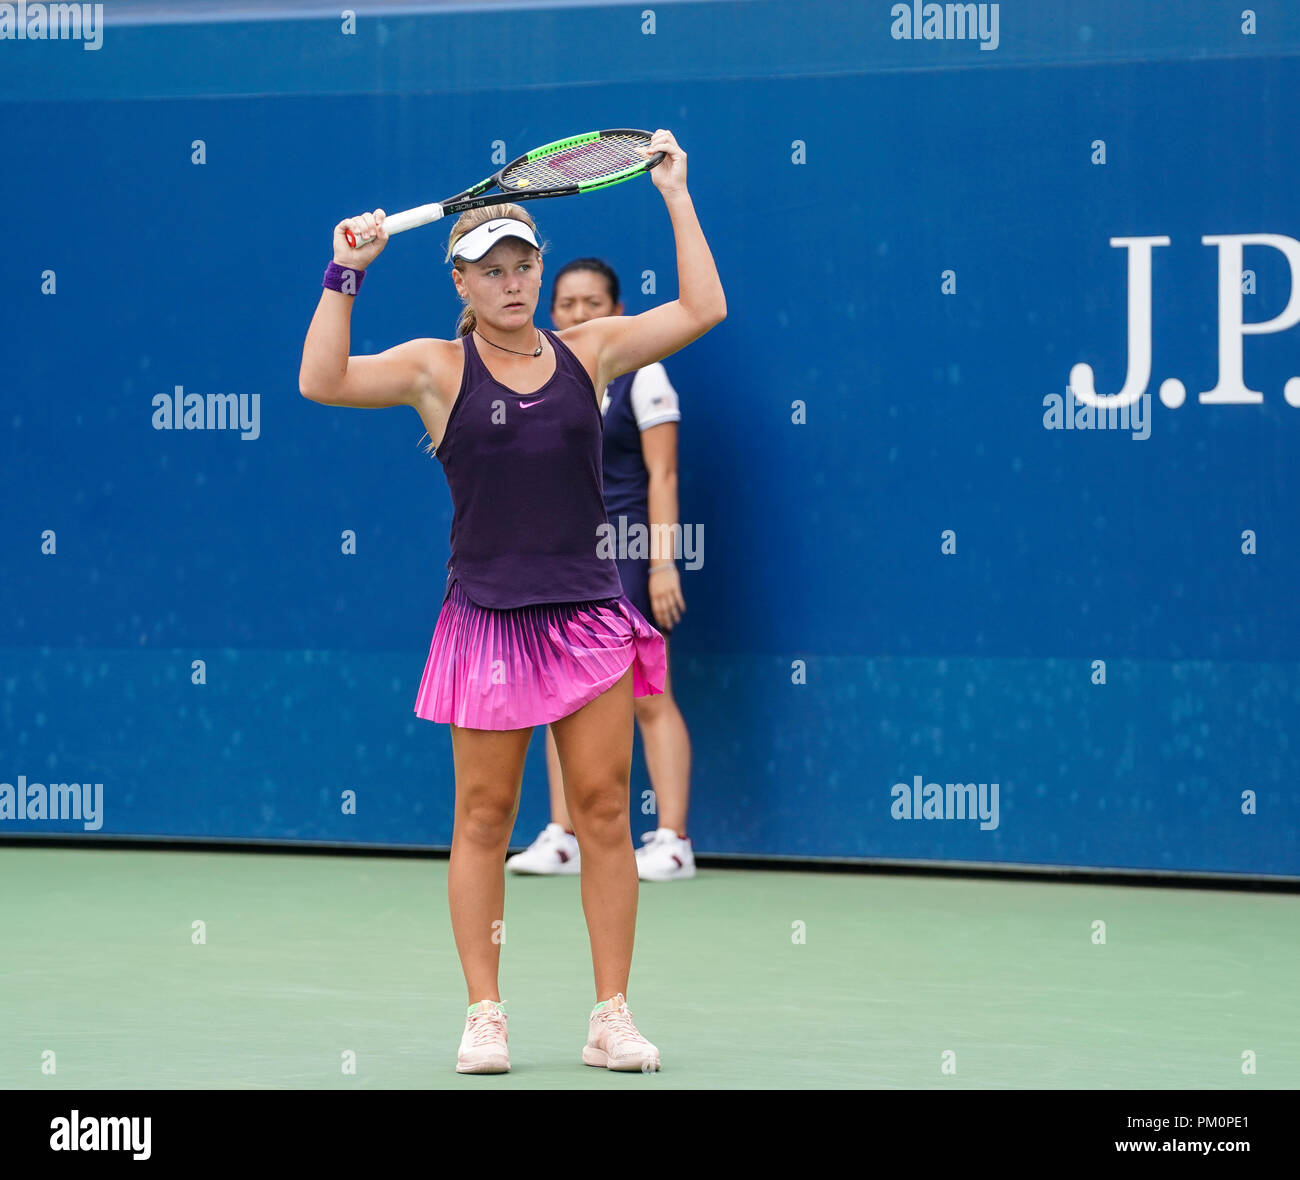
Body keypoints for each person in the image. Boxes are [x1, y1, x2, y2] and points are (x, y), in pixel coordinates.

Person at [297, 129, 725, 1075]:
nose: (510, 281)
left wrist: (675, 194)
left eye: (522, 263)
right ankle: (484, 1015)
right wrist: (344, 272)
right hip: (488, 620)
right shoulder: (433, 369)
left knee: (607, 810)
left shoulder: (594, 349)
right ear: (460, 284)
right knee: (484, 821)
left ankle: (611, 1015)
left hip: (588, 618)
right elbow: (320, 380)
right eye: (489, 270)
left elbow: (704, 304)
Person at [506, 259, 696, 883]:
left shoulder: (645, 374)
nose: (579, 314)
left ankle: (672, 839)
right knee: (560, 699)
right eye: (567, 303)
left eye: (593, 302)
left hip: (627, 553)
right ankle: (564, 836)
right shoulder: (537, 376)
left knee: (647, 696)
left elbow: (663, 475)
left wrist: (663, 562)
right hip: (559, 560)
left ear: (617, 310)